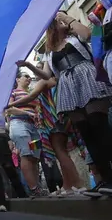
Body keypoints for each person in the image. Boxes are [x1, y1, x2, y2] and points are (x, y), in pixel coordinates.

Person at [16, 11, 112, 196]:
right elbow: (46, 75)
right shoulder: (49, 53)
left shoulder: (75, 37)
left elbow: (88, 34)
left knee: (98, 126)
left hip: (87, 79)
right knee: (86, 133)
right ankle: (106, 179)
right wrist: (28, 66)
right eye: (59, 19)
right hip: (68, 88)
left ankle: (109, 177)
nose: (63, 21)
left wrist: (66, 17)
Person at [6, 72, 46, 197]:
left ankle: (37, 187)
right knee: (26, 154)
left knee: (34, 157)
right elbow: (9, 109)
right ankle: (33, 188)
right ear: (17, 79)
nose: (28, 78)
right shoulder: (12, 93)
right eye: (25, 76)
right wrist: (29, 114)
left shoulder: (31, 93)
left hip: (33, 127)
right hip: (19, 124)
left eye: (29, 77)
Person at [0, 113, 27, 212]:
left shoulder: (1, 106)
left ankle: (22, 195)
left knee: (9, 168)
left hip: (2, 138)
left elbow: (9, 121)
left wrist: (9, 139)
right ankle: (0, 203)